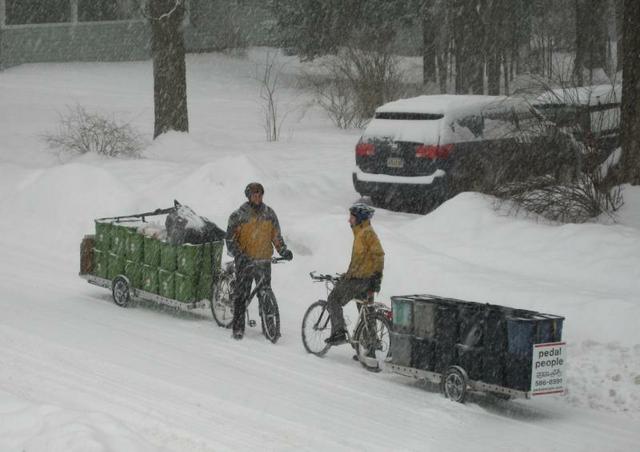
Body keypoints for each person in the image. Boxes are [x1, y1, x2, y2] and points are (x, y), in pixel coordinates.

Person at [226, 182, 293, 340]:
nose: (258, 197)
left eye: (260, 194)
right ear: (249, 196)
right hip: (245, 261)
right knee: (242, 295)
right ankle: (238, 328)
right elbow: (230, 240)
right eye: (254, 194)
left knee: (264, 294)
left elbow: (276, 236)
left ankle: (269, 327)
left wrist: (283, 250)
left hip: (263, 261)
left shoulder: (269, 214)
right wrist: (239, 255)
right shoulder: (239, 215)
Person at [325, 203, 384, 346]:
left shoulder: (366, 233)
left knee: (333, 299)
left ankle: (338, 333)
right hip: (365, 279)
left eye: (351, 217)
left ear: (359, 218)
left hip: (361, 279)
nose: (349, 220)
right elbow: (361, 260)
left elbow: (379, 255)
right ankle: (369, 345)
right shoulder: (362, 233)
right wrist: (348, 274)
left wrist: (377, 276)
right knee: (365, 311)